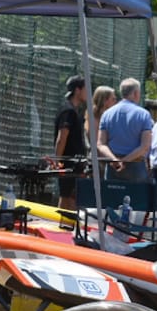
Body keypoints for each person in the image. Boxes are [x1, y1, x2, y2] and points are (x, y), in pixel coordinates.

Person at [97, 78, 153, 182]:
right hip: (135, 166)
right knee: (136, 197)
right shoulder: (144, 114)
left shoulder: (107, 114)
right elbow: (145, 146)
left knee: (112, 197)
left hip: (112, 167)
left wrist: (115, 160)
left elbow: (100, 144)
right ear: (136, 93)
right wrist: (125, 161)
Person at [53, 75, 88, 210]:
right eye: (85, 89)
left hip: (75, 163)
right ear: (78, 90)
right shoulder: (68, 111)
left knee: (70, 196)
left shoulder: (74, 111)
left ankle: (68, 226)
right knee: (67, 196)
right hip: (68, 163)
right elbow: (62, 138)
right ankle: (65, 226)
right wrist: (57, 161)